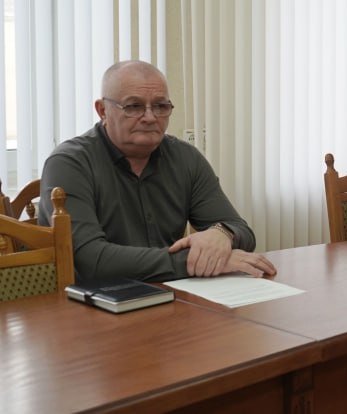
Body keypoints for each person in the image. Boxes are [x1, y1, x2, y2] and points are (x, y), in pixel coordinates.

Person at [39, 60, 276, 281]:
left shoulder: (185, 158)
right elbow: (90, 259)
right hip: (90, 301)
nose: (150, 117)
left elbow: (242, 232)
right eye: (134, 106)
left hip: (172, 294)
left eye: (161, 106)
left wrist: (222, 233)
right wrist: (193, 262)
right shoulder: (69, 163)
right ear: (102, 111)